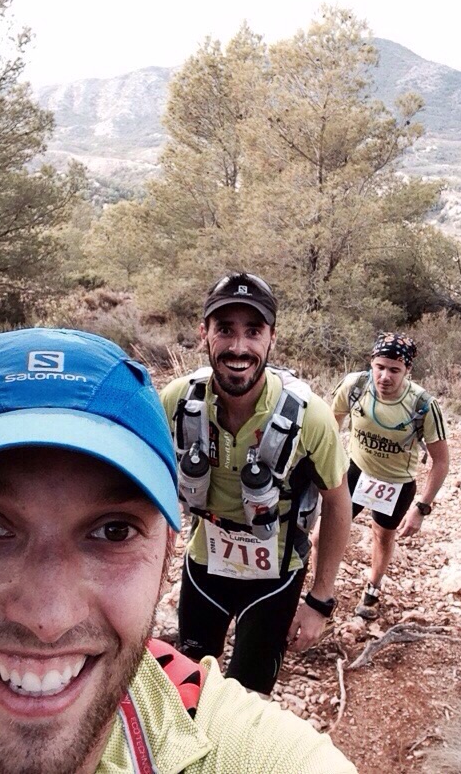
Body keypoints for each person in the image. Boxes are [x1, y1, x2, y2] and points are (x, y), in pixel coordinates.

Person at [0, 327, 357, 774]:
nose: (48, 619)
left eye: (114, 532)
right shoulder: (180, 401)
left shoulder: (246, 749)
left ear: (163, 558)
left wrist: (320, 597)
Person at [160, 273, 351, 697]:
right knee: (188, 690)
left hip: (276, 576)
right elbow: (142, 486)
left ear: (272, 339)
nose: (239, 347)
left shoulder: (310, 418)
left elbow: (338, 504)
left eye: (254, 331)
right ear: (203, 334)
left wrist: (320, 601)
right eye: (225, 329)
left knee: (248, 698)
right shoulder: (176, 402)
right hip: (204, 565)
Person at [331, 332, 450, 619]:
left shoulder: (422, 405)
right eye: (379, 367)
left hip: (396, 483)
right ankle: (323, 592)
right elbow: (330, 426)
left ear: (408, 370)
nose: (385, 376)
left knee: (382, 535)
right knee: (323, 534)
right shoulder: (355, 386)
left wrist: (421, 508)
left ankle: (372, 588)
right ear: (371, 363)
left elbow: (441, 461)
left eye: (395, 370)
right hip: (356, 471)